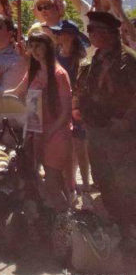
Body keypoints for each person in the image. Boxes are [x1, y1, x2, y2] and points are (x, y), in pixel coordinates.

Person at [74, 10, 136, 242]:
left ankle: (129, 230)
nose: (89, 33)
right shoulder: (95, 59)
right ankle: (117, 226)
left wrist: (126, 121)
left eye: (93, 29)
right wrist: (79, 107)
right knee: (102, 177)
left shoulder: (128, 60)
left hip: (121, 132)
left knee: (125, 182)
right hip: (96, 128)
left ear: (108, 32)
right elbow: (84, 88)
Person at [6, 31, 72, 208]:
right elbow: (16, 92)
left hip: (57, 133)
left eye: (38, 46)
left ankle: (64, 218)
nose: (34, 50)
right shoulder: (34, 72)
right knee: (48, 179)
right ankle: (63, 213)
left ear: (48, 48)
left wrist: (50, 131)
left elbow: (66, 112)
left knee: (51, 180)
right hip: (36, 131)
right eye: (31, 46)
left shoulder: (59, 74)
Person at [50, 19, 91, 190]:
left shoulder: (81, 61)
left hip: (76, 107)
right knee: (66, 146)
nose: (56, 35)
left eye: (59, 32)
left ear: (70, 36)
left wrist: (76, 104)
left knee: (80, 146)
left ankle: (86, 183)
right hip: (59, 105)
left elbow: (83, 85)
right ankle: (70, 182)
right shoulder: (55, 56)